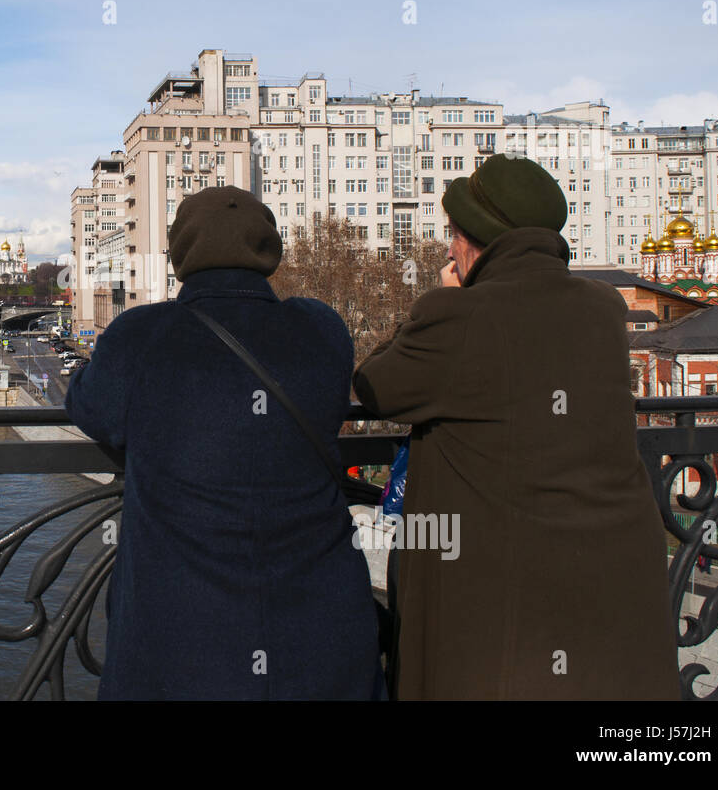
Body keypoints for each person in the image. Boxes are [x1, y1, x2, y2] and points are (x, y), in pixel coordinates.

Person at [352, 154, 679, 700]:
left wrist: (441, 299)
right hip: (613, 596)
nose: (448, 248)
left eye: (454, 234)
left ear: (478, 240)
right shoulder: (602, 309)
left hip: (505, 622)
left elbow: (376, 384)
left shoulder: (463, 316)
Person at [66, 185, 384, 700]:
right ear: (268, 249)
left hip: (183, 642)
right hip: (321, 630)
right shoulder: (321, 329)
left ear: (180, 256)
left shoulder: (141, 335)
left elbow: (88, 406)